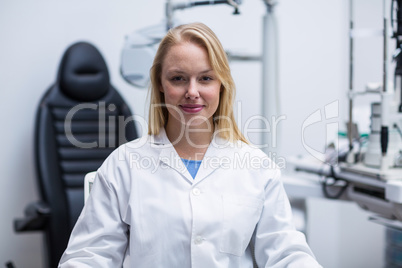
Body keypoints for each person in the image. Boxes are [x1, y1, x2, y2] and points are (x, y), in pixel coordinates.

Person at [59, 22, 322, 267]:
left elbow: (286, 253)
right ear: (161, 84)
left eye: (206, 78)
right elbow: (88, 257)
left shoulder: (257, 168)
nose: (192, 91)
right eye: (178, 78)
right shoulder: (123, 165)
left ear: (222, 85)